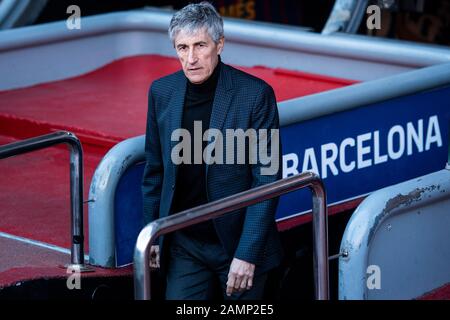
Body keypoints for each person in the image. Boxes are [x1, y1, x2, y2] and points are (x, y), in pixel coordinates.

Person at [142, 1, 282, 300]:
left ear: (219, 44)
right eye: (182, 47)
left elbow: (267, 179)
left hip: (237, 241)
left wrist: (247, 253)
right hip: (184, 243)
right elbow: (155, 172)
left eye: (199, 45)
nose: (190, 58)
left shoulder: (255, 95)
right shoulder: (161, 92)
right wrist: (152, 236)